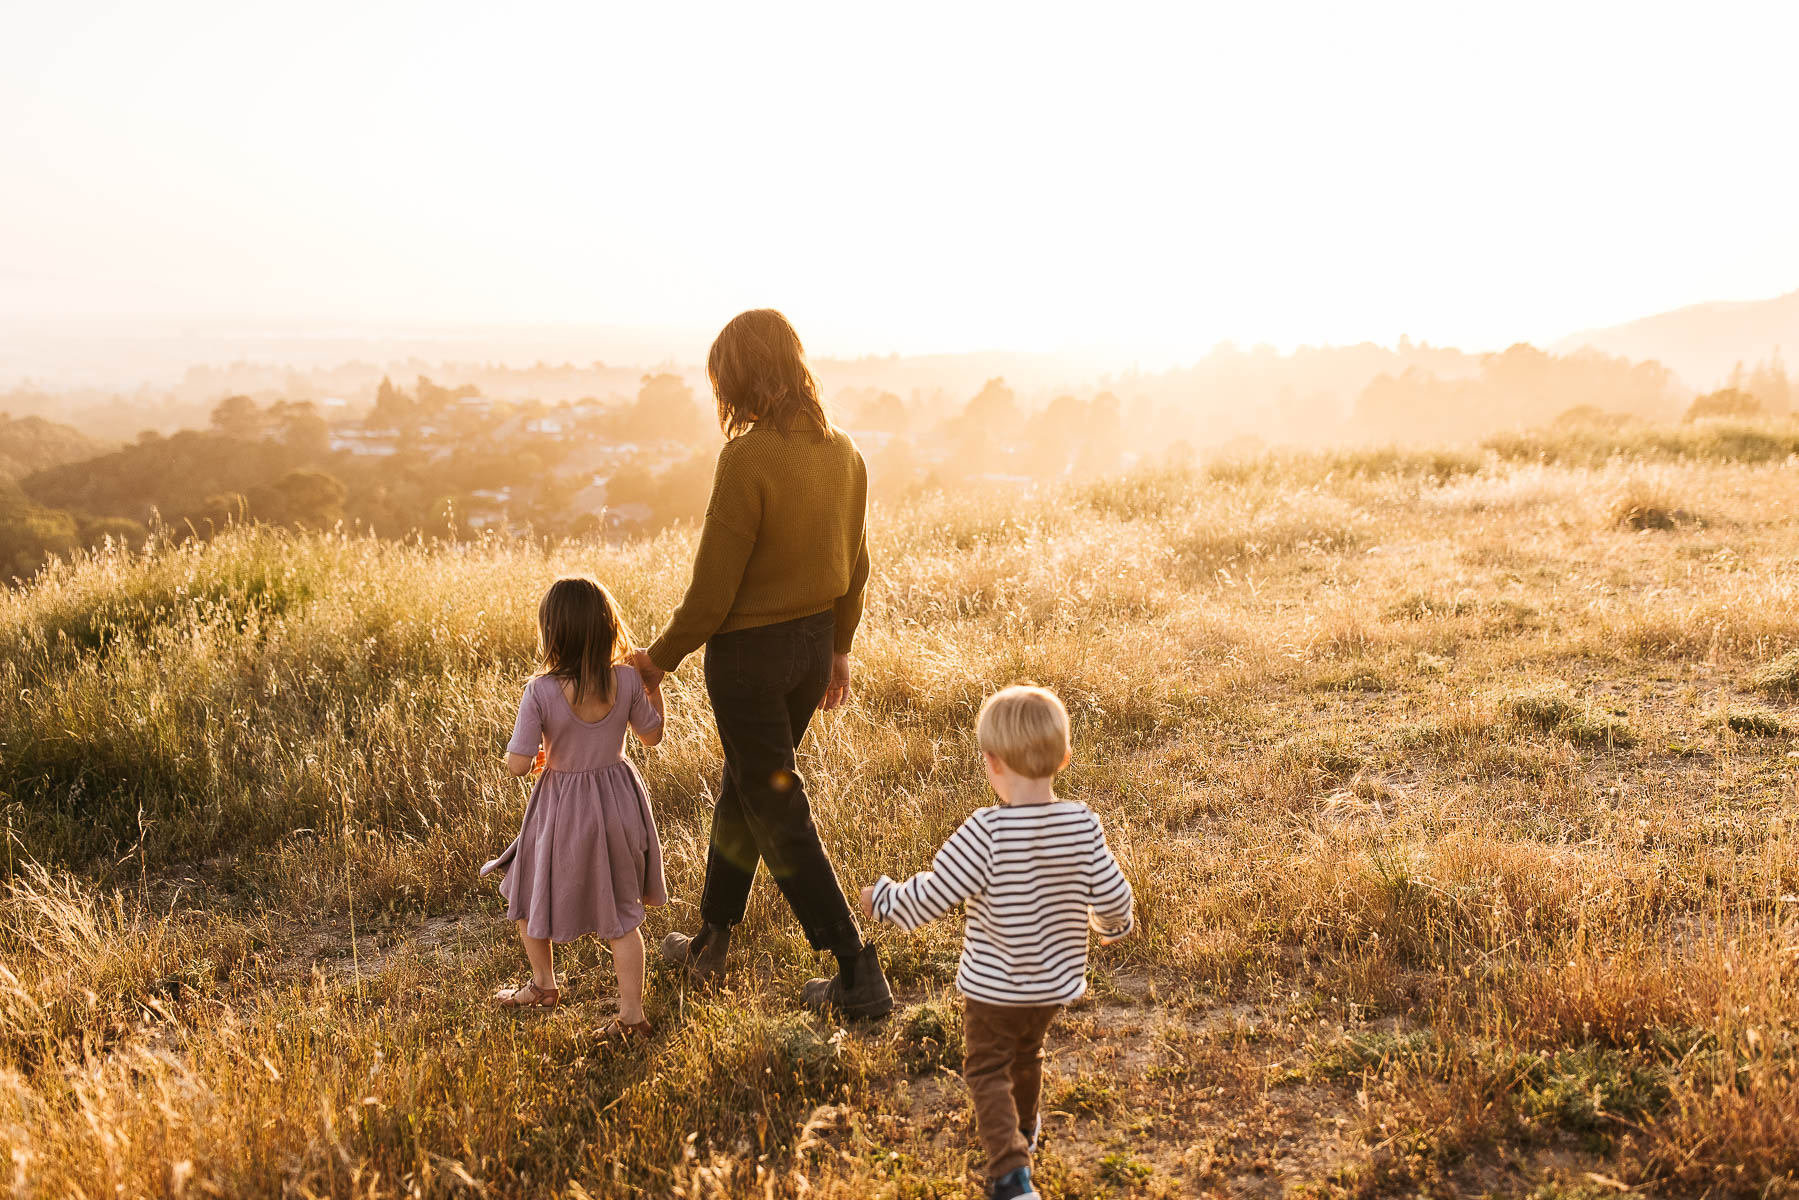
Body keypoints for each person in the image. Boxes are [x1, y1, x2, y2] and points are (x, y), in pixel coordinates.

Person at [636, 307, 890, 1018]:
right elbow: (857, 566)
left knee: (777, 805)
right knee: (748, 788)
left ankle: (854, 968)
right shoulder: (846, 452)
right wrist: (838, 647)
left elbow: (712, 594)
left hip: (750, 659)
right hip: (810, 651)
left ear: (741, 378)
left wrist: (656, 660)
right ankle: (712, 938)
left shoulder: (745, 457)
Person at [860, 685, 1134, 1200]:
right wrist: (1115, 925)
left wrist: (884, 899)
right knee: (1028, 1054)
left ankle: (1011, 1173)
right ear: (1065, 757)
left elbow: (932, 894)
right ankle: (1025, 1130)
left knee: (987, 1068)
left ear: (992, 762)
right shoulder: (1082, 824)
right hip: (1053, 987)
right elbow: (1115, 894)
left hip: (993, 992)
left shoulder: (985, 832)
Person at [481, 576, 668, 1040]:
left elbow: (518, 766)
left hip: (562, 808)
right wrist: (652, 687)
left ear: (553, 634)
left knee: (525, 891)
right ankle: (632, 1017)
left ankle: (543, 985)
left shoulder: (540, 691)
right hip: (619, 802)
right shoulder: (625, 680)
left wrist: (534, 749)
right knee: (623, 915)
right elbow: (652, 735)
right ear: (607, 627)